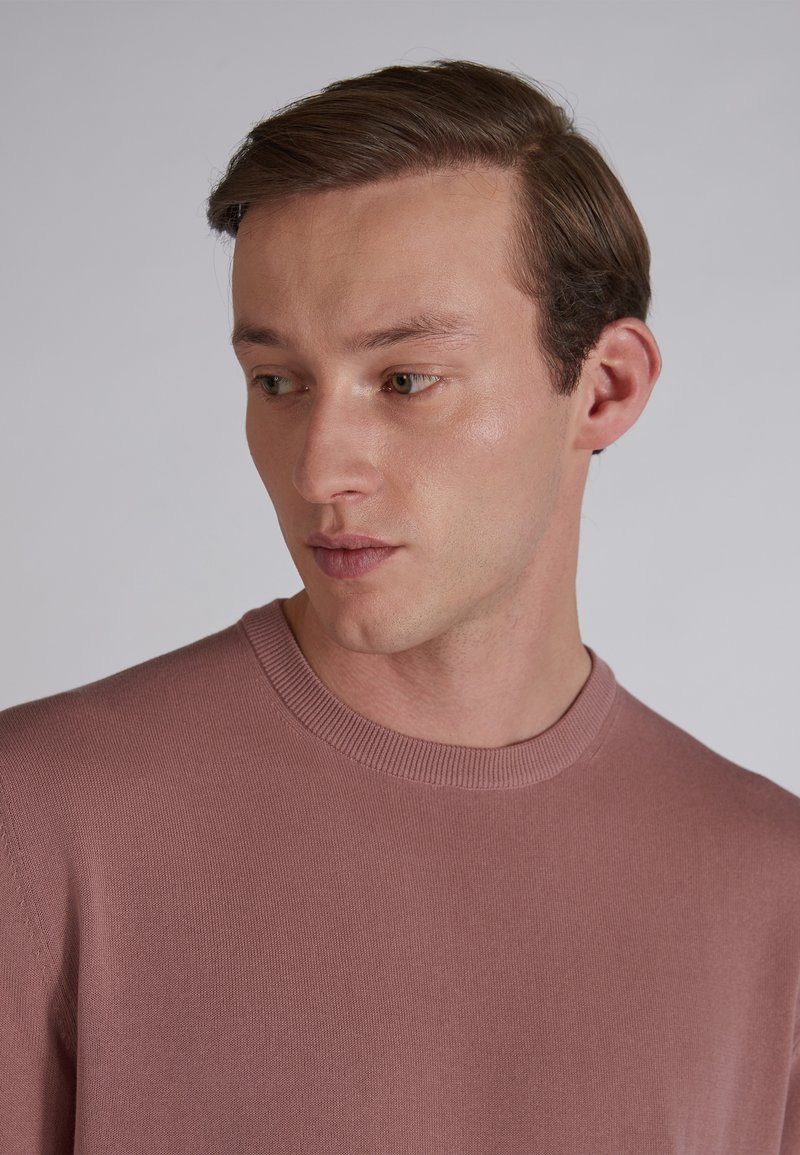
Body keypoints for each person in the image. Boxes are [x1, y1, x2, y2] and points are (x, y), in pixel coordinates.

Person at [1, 58, 798, 1155]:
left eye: (405, 380)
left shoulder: (770, 885)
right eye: (277, 382)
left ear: (604, 386)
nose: (319, 468)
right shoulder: (38, 822)